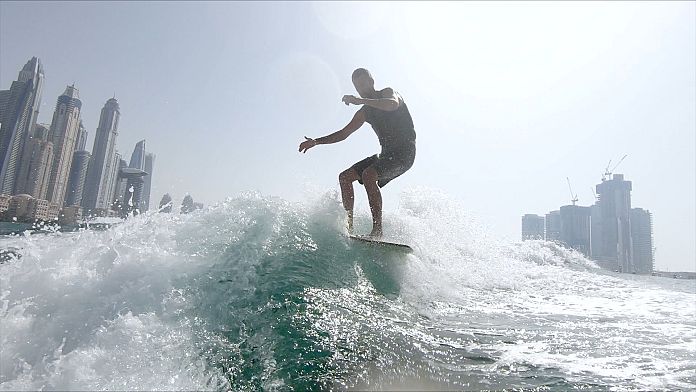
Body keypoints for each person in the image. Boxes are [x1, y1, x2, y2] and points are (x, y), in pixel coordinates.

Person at [298, 68, 416, 238]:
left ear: (372, 81)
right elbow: (344, 133)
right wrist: (316, 141)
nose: (361, 89)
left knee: (369, 174)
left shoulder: (388, 93)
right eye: (357, 86)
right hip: (386, 155)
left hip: (404, 153)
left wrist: (360, 100)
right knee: (344, 177)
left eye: (363, 83)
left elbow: (392, 104)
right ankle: (349, 228)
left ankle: (377, 231)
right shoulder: (364, 112)